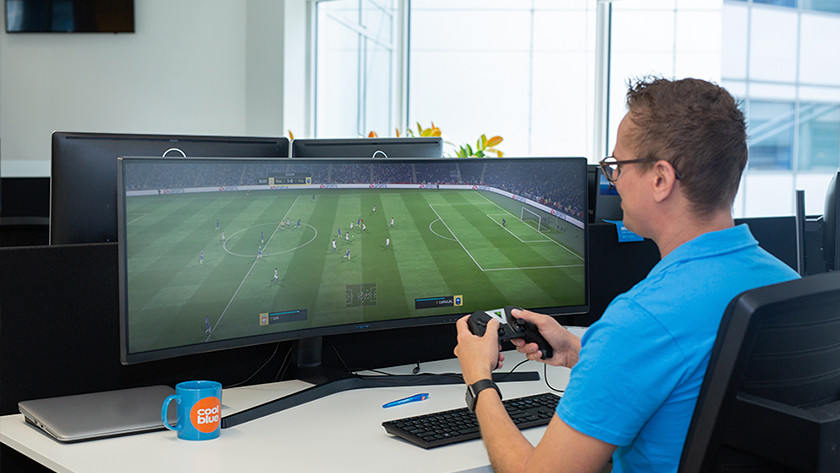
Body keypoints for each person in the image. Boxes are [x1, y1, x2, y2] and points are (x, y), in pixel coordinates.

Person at [454, 77, 800, 473]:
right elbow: (700, 384)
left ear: (660, 179)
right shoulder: (787, 285)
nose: (611, 180)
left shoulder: (641, 319)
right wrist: (577, 351)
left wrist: (479, 380)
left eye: (616, 167)